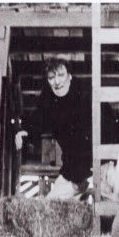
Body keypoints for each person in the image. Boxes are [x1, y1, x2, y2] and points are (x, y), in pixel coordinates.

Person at [14, 57, 92, 199]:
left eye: (61, 75)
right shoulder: (47, 98)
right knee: (50, 203)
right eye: (51, 77)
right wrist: (26, 131)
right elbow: (37, 120)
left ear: (70, 76)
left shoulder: (85, 93)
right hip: (71, 166)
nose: (57, 82)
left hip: (96, 158)